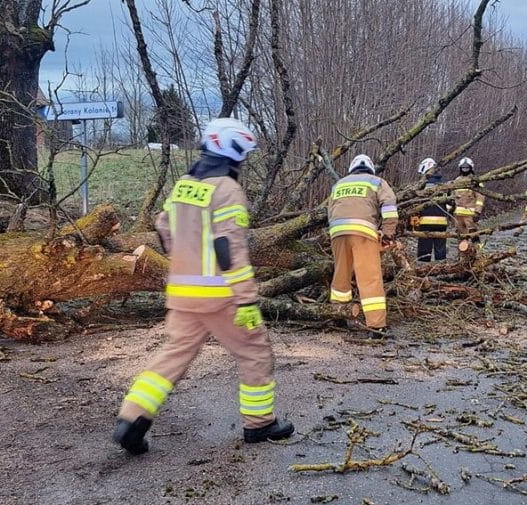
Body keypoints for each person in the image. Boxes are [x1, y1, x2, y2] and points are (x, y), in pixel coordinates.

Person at [113, 117, 293, 456]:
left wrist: (186, 259)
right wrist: (246, 299)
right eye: (243, 155)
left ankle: (132, 418)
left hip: (182, 293)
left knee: (173, 355)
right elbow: (229, 249)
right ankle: (260, 423)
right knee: (254, 351)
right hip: (220, 295)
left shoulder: (184, 185)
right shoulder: (227, 190)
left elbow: (164, 226)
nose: (243, 161)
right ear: (233, 152)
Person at [328, 154, 399, 338]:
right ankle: (376, 326)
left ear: (352, 168)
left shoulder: (339, 184)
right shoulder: (376, 182)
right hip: (364, 232)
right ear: (370, 168)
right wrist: (388, 233)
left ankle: (338, 315)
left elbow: (330, 210)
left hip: (337, 232)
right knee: (369, 277)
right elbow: (389, 206)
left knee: (341, 275)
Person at [415, 157, 449, 262]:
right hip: (442, 222)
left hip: (425, 222)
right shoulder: (444, 184)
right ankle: (442, 267)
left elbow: (415, 202)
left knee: (424, 248)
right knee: (440, 248)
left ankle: (423, 267)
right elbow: (450, 202)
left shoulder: (422, 185)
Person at [451, 157, 485, 249]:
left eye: (467, 168)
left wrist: (477, 212)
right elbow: (452, 196)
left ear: (471, 168)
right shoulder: (456, 181)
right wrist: (450, 209)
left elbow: (480, 197)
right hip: (458, 215)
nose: (465, 169)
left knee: (473, 234)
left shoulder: (475, 181)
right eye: (463, 168)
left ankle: (478, 251)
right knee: (461, 236)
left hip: (470, 214)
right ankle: (463, 254)